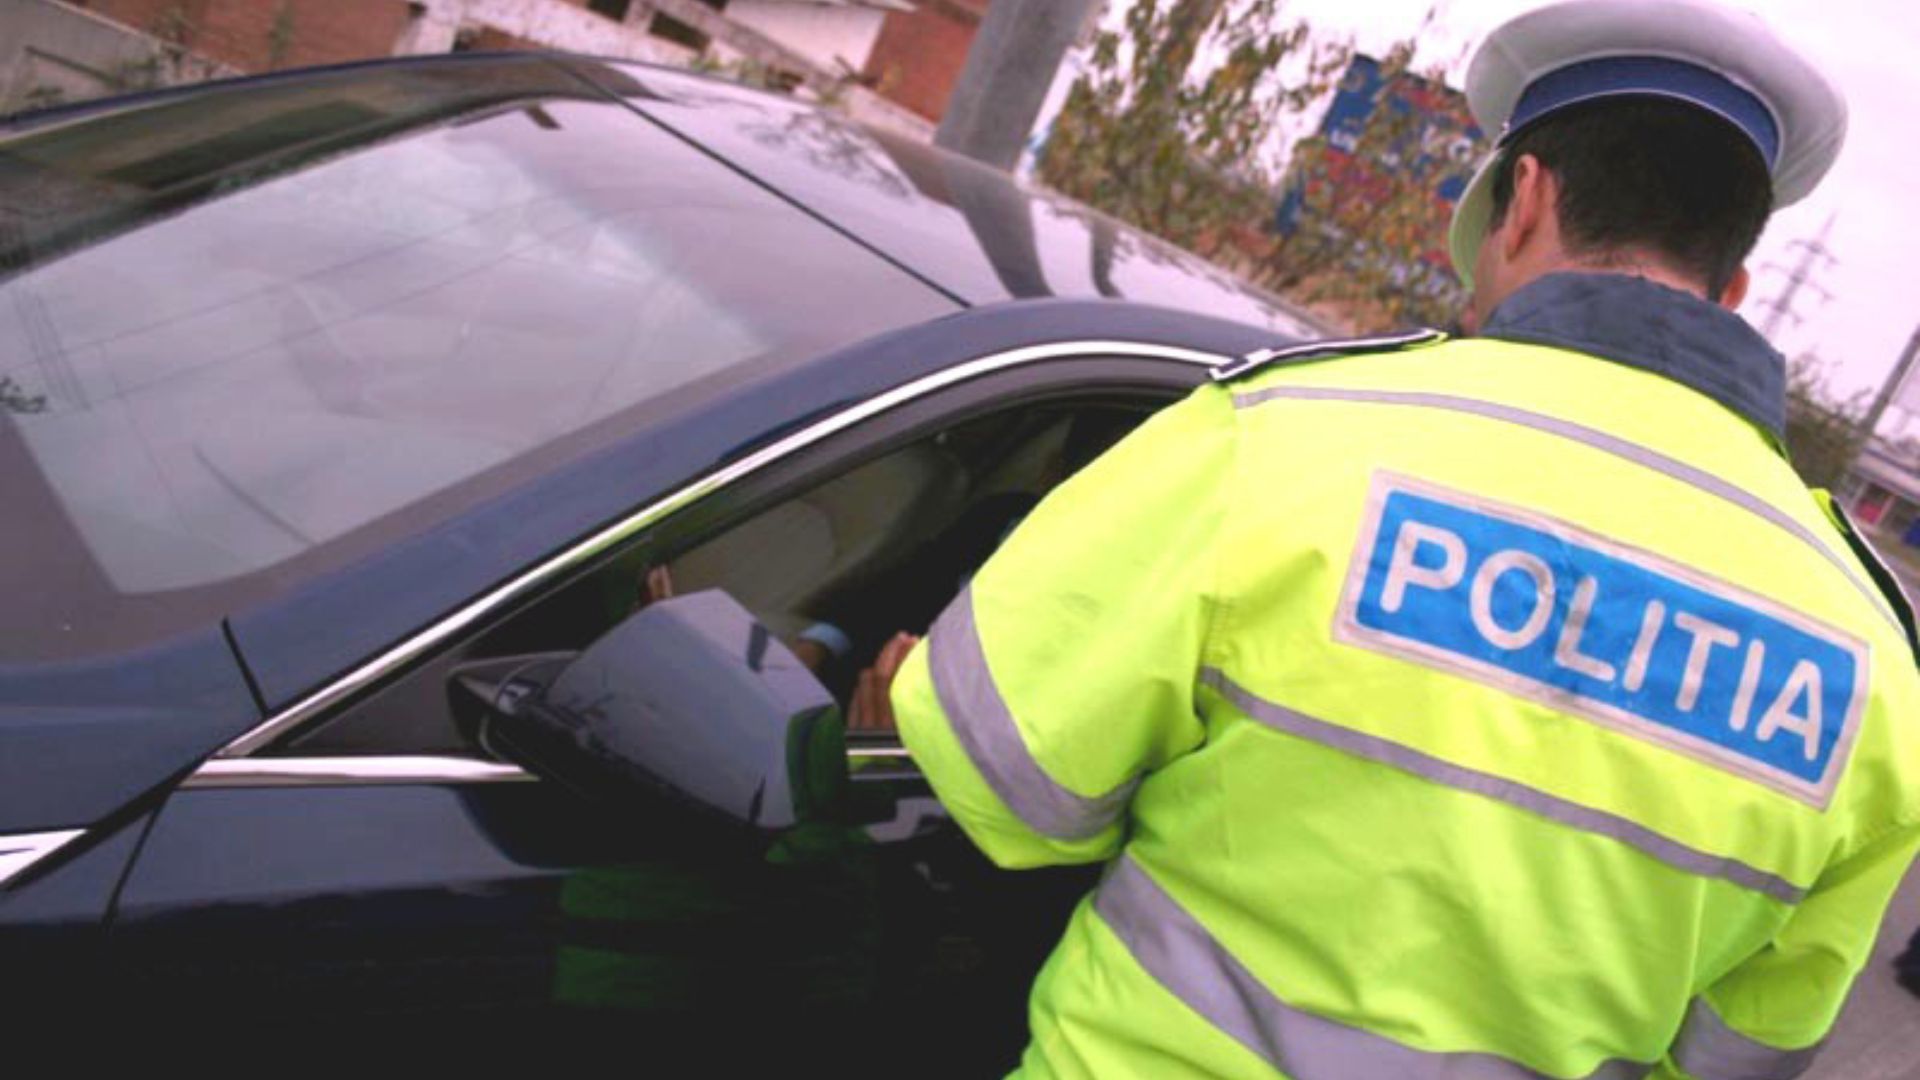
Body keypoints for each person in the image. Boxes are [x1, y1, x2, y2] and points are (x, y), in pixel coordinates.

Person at [860, 1, 1920, 1076]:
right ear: (1732, 291)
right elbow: (1742, 1054)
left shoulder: (1277, 441)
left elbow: (995, 777)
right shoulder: (1876, 671)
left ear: (1523, 202)